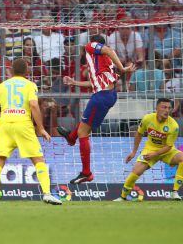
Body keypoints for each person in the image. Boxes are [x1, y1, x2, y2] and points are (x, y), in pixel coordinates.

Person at [57, 34, 135, 183]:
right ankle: (71, 137)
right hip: (109, 95)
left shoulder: (91, 47)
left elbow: (110, 51)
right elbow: (94, 83)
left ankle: (86, 172)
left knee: (83, 132)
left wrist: (123, 69)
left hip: (101, 96)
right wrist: (75, 82)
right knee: (84, 126)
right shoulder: (104, 63)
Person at [0, 58, 61, 205]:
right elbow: (33, 105)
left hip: (5, 124)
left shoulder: (1, 86)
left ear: (12, 71)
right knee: (38, 160)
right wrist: (40, 128)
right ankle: (46, 193)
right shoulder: (30, 85)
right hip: (23, 124)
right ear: (27, 71)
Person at [118, 98, 183, 201]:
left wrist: (155, 154)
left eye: (169, 108)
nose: (167, 110)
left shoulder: (174, 126)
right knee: (136, 172)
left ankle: (175, 192)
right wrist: (134, 152)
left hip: (167, 151)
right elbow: (139, 134)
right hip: (150, 149)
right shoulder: (147, 119)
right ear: (157, 108)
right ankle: (122, 197)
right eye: (164, 107)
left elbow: (168, 146)